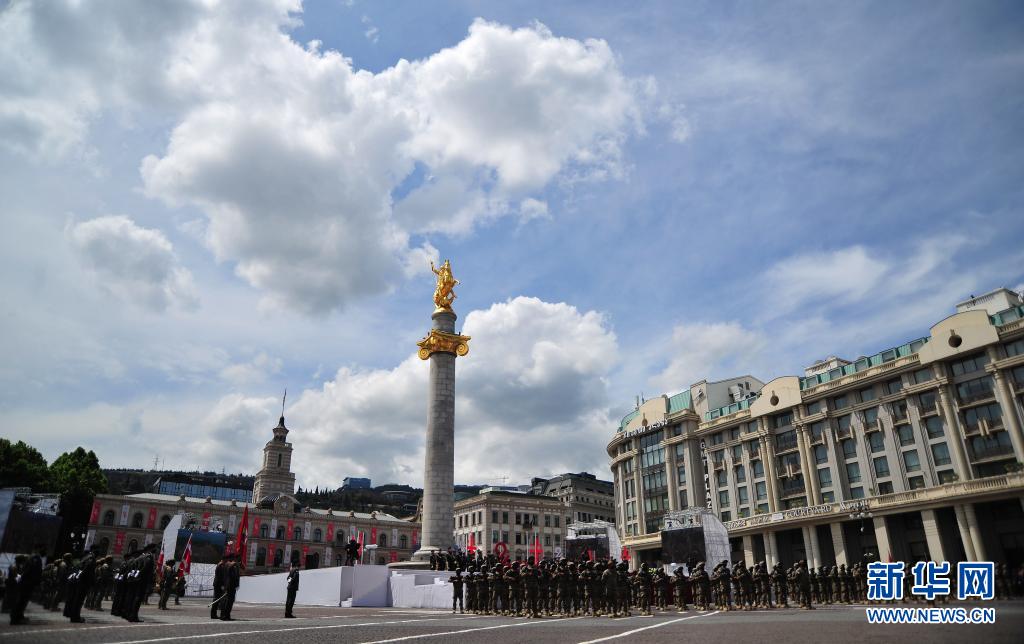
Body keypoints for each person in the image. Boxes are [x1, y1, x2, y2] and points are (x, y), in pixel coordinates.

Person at [11, 547, 43, 625]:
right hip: (27, 583)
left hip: (27, 582)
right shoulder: (35, 558)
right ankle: (15, 618)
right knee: (21, 600)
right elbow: (30, 571)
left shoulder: (31, 558)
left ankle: (19, 616)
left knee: (23, 600)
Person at [220, 554, 240, 621]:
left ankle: (224, 615)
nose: (237, 561)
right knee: (229, 602)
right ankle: (226, 616)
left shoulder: (226, 565)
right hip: (230, 586)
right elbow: (233, 576)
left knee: (226, 601)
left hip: (227, 585)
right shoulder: (232, 565)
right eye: (237, 559)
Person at [211, 555, 227, 620]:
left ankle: (213, 614)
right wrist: (222, 585)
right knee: (216, 599)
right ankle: (213, 614)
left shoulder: (220, 565)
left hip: (217, 584)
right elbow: (220, 577)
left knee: (216, 599)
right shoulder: (221, 565)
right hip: (218, 585)